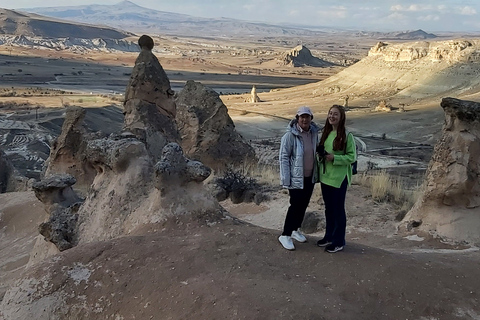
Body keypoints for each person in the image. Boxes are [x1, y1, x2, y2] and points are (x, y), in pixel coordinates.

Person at [278, 106, 320, 250]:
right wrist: (286, 178)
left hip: (309, 177)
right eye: (302, 117)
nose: (304, 119)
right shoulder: (290, 136)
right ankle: (285, 234)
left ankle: (296, 229)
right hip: (295, 177)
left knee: (303, 204)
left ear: (311, 119)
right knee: (295, 205)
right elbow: (283, 157)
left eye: (307, 117)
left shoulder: (314, 133)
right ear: (297, 119)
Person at [316, 105, 356, 253]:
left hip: (339, 179)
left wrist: (334, 158)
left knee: (338, 210)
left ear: (341, 117)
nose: (332, 116)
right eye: (330, 113)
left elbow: (352, 157)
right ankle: (329, 236)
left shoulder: (347, 135)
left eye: (335, 114)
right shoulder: (326, 133)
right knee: (328, 209)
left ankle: (339, 241)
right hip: (326, 177)